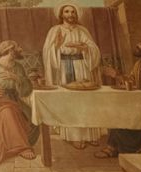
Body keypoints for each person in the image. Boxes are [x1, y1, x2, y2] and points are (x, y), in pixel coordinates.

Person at [42, 3, 101, 149]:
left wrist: (85, 48)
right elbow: (47, 52)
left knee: (86, 101)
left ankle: (89, 135)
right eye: (67, 12)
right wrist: (56, 45)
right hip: (64, 68)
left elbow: (94, 49)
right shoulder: (55, 30)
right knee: (69, 101)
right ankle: (74, 137)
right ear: (61, 15)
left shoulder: (82, 30)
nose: (70, 15)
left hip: (81, 66)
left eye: (73, 12)